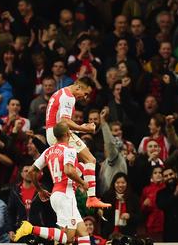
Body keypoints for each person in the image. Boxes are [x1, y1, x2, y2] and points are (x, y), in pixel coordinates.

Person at [13, 123, 92, 245]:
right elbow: (68, 171)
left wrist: (39, 190)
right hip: (66, 196)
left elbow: (31, 171)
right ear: (67, 134)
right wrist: (83, 182)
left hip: (57, 194)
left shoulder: (48, 151)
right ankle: (30, 228)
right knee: (68, 238)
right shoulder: (69, 149)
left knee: (83, 233)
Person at [45, 77, 110, 208]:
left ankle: (73, 185)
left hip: (52, 133)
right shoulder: (69, 97)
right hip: (59, 134)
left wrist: (79, 129)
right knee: (90, 160)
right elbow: (64, 121)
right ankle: (91, 197)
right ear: (79, 87)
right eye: (86, 94)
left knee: (78, 166)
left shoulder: (60, 93)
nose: (85, 98)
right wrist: (84, 128)